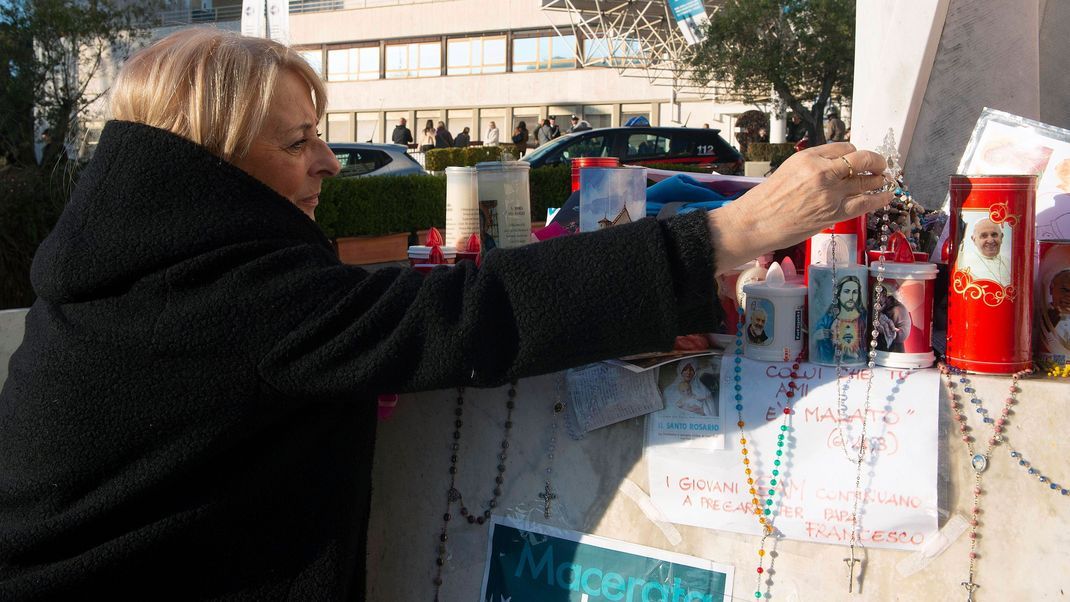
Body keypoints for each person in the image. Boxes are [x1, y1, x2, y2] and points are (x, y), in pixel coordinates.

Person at [0, 27, 891, 599]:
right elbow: (467, 313)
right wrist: (734, 231)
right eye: (297, 141)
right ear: (216, 163)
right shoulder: (225, 296)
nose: (330, 164)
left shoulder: (136, 269)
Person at [813, 275, 868, 364]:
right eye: (846, 292)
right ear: (839, 294)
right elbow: (814, 346)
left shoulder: (863, 318)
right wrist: (816, 337)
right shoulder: (827, 320)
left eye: (855, 292)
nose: (851, 297)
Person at [957, 217, 1011, 286]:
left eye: (994, 235)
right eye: (984, 236)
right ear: (974, 240)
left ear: (1001, 237)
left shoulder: (1008, 263)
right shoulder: (964, 263)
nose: (990, 240)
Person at [874, 280, 911, 353]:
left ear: (884, 295)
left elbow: (890, 328)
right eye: (875, 297)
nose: (876, 300)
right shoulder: (886, 306)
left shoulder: (895, 309)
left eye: (878, 296)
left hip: (894, 348)